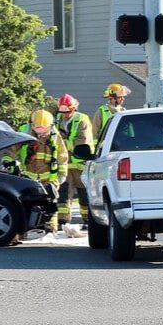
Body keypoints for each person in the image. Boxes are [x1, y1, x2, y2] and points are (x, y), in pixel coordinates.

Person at [2, 109, 68, 240]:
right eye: (38, 129)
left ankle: (50, 229)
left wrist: (61, 176)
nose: (41, 132)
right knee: (24, 203)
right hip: (28, 176)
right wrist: (8, 163)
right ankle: (21, 230)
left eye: (44, 129)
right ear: (32, 126)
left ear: (50, 126)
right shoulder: (24, 132)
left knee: (51, 202)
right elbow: (10, 150)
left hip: (49, 177)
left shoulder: (55, 136)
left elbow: (62, 156)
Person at [55, 94, 95, 227]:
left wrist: (64, 142)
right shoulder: (57, 120)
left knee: (84, 194)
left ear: (74, 109)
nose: (65, 115)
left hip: (80, 164)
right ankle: (63, 221)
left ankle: (88, 220)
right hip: (64, 164)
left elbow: (83, 142)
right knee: (63, 193)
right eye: (63, 112)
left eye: (68, 112)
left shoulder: (82, 120)